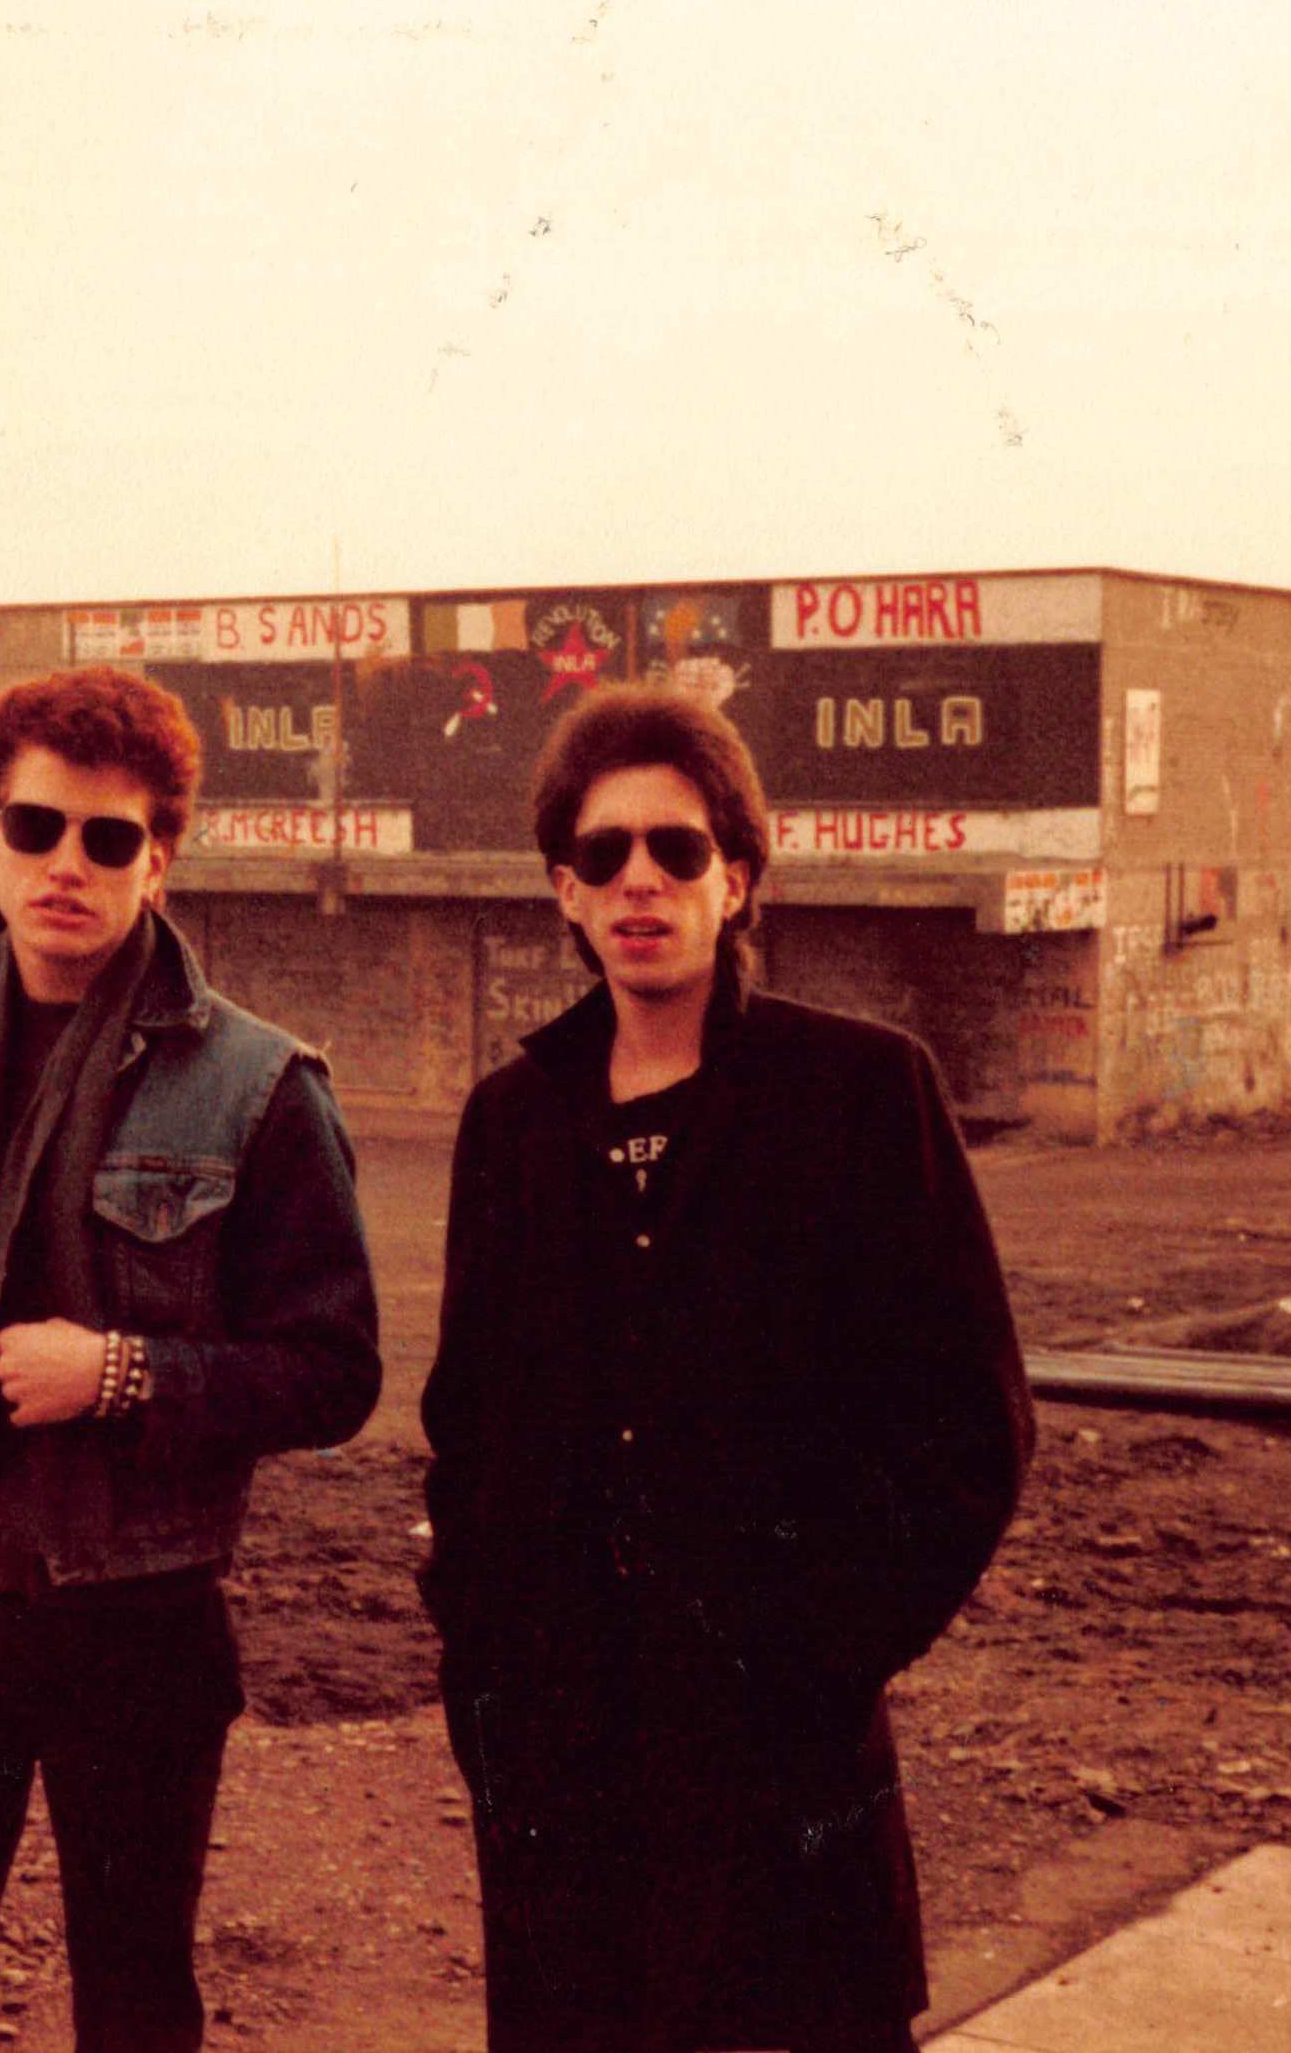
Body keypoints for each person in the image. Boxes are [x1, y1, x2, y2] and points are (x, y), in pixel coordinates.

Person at [418, 683, 1035, 2053]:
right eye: (604, 852)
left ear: (736, 877)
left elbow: (970, 1426)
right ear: (566, 891)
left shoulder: (862, 1093)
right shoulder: (512, 1122)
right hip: (565, 1763)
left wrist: (822, 1653)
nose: (639, 878)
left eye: (678, 847)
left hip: (783, 1750)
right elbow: (469, 1424)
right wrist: (485, 1674)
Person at [0, 665, 382, 2053]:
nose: (66, 865)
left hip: (138, 1605)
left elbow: (335, 1369)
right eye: (36, 828)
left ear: (161, 858)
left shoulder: (259, 1082)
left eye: (107, 837)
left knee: (136, 1991)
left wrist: (122, 1372)